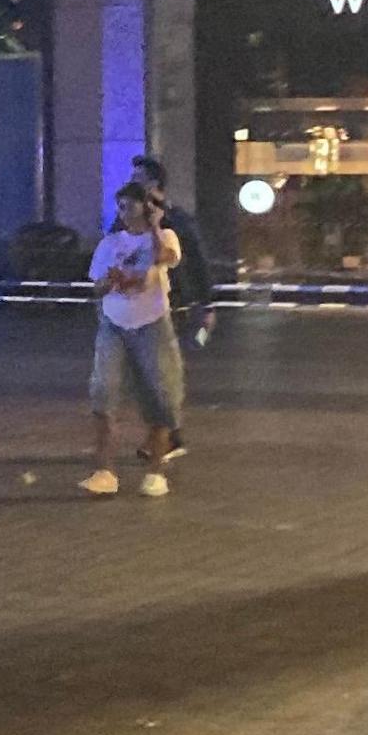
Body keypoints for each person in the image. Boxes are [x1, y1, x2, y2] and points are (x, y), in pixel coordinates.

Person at [85, 184, 184, 496]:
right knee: (104, 392)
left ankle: (156, 472)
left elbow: (165, 257)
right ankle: (104, 471)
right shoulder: (110, 243)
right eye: (120, 206)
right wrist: (110, 282)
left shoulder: (165, 236)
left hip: (152, 324)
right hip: (114, 324)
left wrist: (155, 225)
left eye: (129, 206)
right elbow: (96, 287)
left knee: (161, 394)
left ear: (146, 207)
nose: (123, 213)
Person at [132, 152, 221, 354]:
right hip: (137, 306)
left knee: (171, 361)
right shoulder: (128, 220)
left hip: (175, 305)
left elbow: (198, 261)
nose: (131, 184)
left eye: (137, 179)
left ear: (152, 184)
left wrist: (207, 305)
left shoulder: (178, 221)